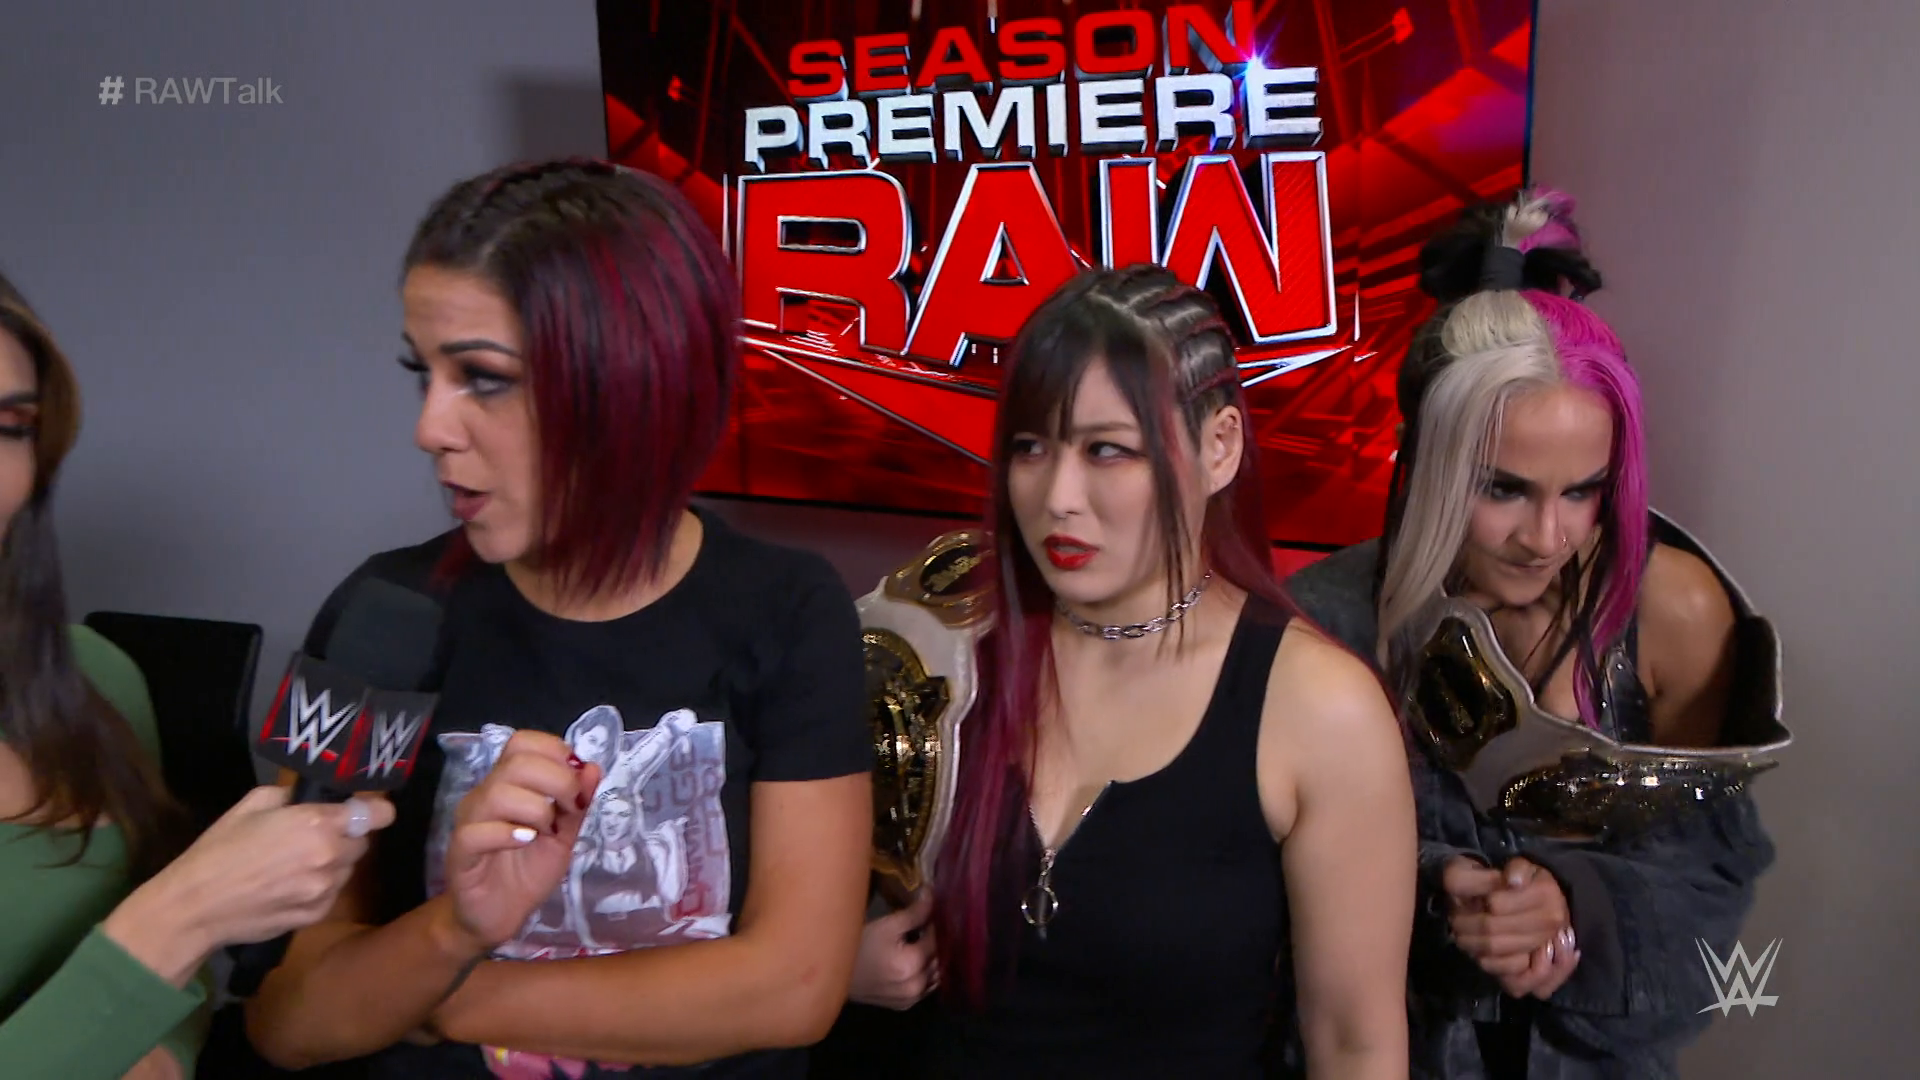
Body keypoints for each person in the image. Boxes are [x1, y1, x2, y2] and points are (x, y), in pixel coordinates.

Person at [243, 159, 873, 1080]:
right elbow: (290, 1019)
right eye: (424, 373)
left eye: (483, 378)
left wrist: (428, 996)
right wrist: (455, 928)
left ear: (628, 384)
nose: (430, 428)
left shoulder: (789, 609)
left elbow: (793, 990)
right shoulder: (381, 616)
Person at [845, 266, 1417, 1078]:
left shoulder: (1320, 707)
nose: (1058, 496)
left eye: (1106, 450)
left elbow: (1356, 1046)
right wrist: (838, 968)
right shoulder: (942, 646)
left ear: (1219, 447)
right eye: (1030, 448)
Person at [1284, 191, 1779, 1078]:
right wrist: (1437, 889)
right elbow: (1261, 880)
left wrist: (1577, 906)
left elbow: (1708, 885)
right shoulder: (1322, 622)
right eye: (1503, 488)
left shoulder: (1672, 611)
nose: (1547, 538)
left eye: (1583, 491)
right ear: (1426, 465)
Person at [0, 269, 394, 1078]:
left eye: (8, 427)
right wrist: (187, 911)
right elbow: (162, 945)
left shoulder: (95, 678)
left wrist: (157, 1055)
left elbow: (175, 997)